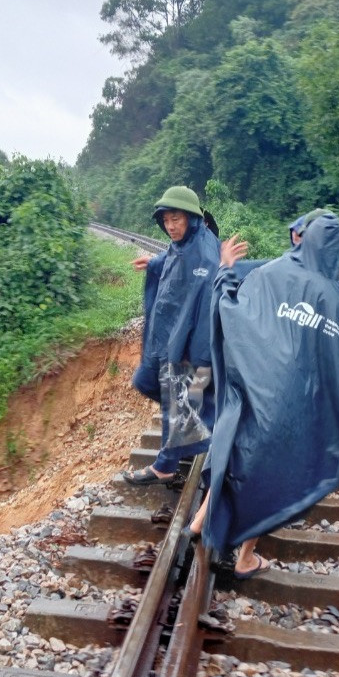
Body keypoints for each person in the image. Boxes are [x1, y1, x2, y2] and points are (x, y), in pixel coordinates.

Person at [193, 210, 339, 578]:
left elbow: (234, 310)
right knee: (276, 476)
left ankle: (201, 522)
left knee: (235, 454)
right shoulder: (331, 294)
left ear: (306, 239)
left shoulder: (271, 273)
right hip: (293, 408)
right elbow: (331, 366)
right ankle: (245, 557)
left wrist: (224, 270)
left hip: (254, 391)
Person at [123, 186, 221, 485]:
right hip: (167, 334)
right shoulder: (183, 242)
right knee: (146, 381)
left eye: (176, 219)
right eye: (166, 220)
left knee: (177, 398)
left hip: (187, 343)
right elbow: (174, 259)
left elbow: (208, 306)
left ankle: (167, 464)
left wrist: (196, 356)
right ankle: (197, 432)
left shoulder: (205, 252)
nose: (171, 226)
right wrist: (153, 263)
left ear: (191, 218)